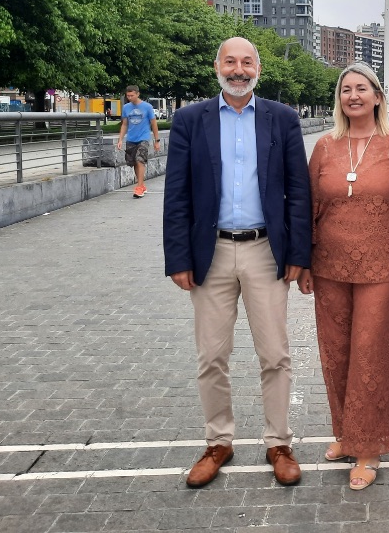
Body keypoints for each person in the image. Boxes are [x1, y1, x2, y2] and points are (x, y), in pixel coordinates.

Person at [162, 36, 311, 489]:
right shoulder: (190, 119)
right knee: (211, 355)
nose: (239, 69)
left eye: (247, 62)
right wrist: (178, 257)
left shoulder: (281, 119)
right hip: (212, 254)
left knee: (275, 355)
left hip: (267, 252)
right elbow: (177, 194)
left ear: (258, 69)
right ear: (217, 67)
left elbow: (299, 192)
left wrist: (299, 255)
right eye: (231, 61)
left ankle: (278, 443)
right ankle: (218, 441)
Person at [297, 63, 389, 490]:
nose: (353, 96)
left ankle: (367, 448)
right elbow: (308, 205)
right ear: (339, 98)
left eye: (361, 88)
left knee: (371, 354)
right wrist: (303, 262)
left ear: (378, 96)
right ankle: (346, 432)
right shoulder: (325, 147)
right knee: (337, 353)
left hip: (382, 268)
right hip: (329, 266)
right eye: (345, 89)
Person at [117, 85, 160, 198]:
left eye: (132, 95)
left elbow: (154, 124)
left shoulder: (147, 107)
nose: (130, 97)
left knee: (140, 159)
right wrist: (120, 139)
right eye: (128, 96)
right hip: (131, 138)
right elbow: (125, 124)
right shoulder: (126, 107)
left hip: (143, 138)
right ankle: (141, 185)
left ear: (137, 94)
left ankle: (139, 186)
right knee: (134, 162)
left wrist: (157, 140)